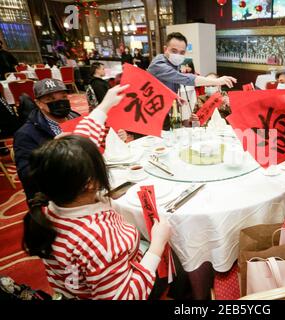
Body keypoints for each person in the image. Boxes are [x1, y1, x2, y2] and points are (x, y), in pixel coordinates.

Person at [22, 85, 173, 299]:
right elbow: (126, 296)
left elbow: (84, 141)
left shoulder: (52, 205)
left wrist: (105, 106)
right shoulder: (98, 238)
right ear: (90, 182)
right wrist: (157, 247)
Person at [148, 32, 237, 130]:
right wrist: (217, 81)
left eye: (182, 52)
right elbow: (185, 78)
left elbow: (163, 85)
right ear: (165, 49)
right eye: (174, 51)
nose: (178, 55)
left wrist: (173, 96)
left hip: (162, 111)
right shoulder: (159, 64)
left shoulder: (174, 64)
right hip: (148, 113)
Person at [13, 79, 81, 200]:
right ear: (39, 103)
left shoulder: (76, 117)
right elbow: (27, 175)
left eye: (63, 97)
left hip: (85, 179)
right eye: (50, 99)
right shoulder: (26, 134)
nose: (59, 102)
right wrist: (53, 151)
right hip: (57, 194)